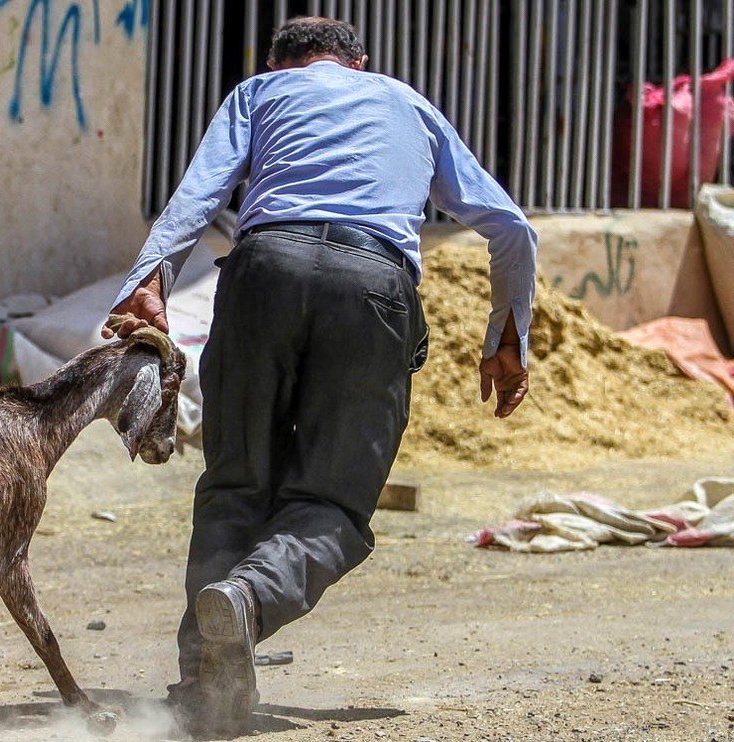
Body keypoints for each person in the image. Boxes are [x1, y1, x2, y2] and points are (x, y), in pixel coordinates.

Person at [102, 16, 537, 736]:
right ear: (359, 63)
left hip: (263, 272)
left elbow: (199, 194)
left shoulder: (259, 93)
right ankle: (250, 598)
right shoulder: (407, 103)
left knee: (235, 482)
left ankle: (204, 685)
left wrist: (151, 278)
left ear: (281, 64)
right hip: (372, 287)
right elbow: (512, 227)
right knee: (334, 498)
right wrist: (508, 335)